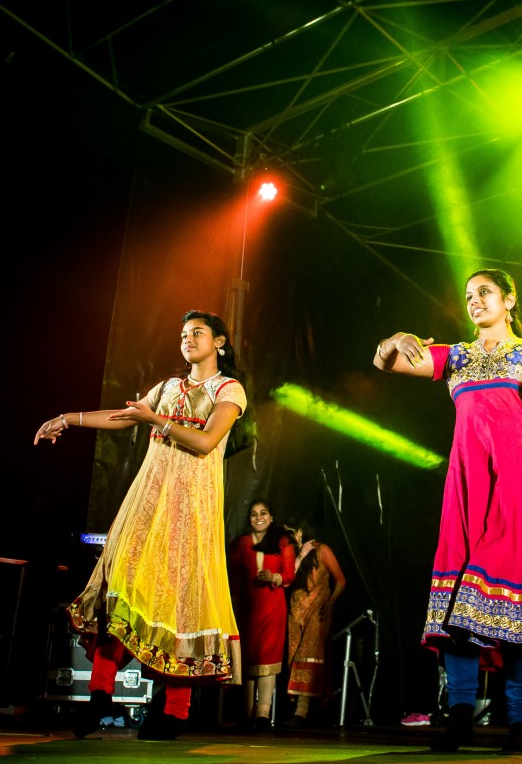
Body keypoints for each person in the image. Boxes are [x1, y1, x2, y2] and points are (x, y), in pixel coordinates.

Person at [372, 268, 522, 753]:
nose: (474, 301)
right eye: (468, 296)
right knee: (460, 600)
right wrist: (396, 338)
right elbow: (385, 363)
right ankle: (460, 715)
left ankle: (521, 720)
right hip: (469, 481)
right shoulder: (455, 357)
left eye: (484, 293)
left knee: (515, 596)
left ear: (509, 299)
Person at [34, 309, 252, 740]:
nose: (187, 339)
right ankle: (99, 696)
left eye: (198, 333)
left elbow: (207, 442)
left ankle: (172, 711)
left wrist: (158, 421)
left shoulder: (229, 389)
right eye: (183, 333)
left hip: (191, 510)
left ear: (220, 343)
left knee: (179, 604)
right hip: (148, 504)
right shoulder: (169, 387)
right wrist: (67, 418)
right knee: (122, 590)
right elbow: (122, 415)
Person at [228, 500, 296, 731]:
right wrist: (234, 608)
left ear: (272, 517)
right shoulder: (242, 544)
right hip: (247, 610)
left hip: (272, 608)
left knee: (267, 660)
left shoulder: (282, 542)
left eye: (263, 513)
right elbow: (235, 579)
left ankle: (262, 715)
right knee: (247, 660)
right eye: (254, 514)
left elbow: (289, 574)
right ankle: (246, 715)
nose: (258, 517)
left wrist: (275, 577)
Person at [282, 520, 347, 728]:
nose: (295, 537)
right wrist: (300, 555)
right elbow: (287, 579)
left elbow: (340, 581)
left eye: (297, 533)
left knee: (308, 654)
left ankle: (300, 712)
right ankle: (308, 709)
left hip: (317, 611)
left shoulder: (322, 550)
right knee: (293, 656)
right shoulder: (292, 553)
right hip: (296, 611)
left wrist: (330, 602)